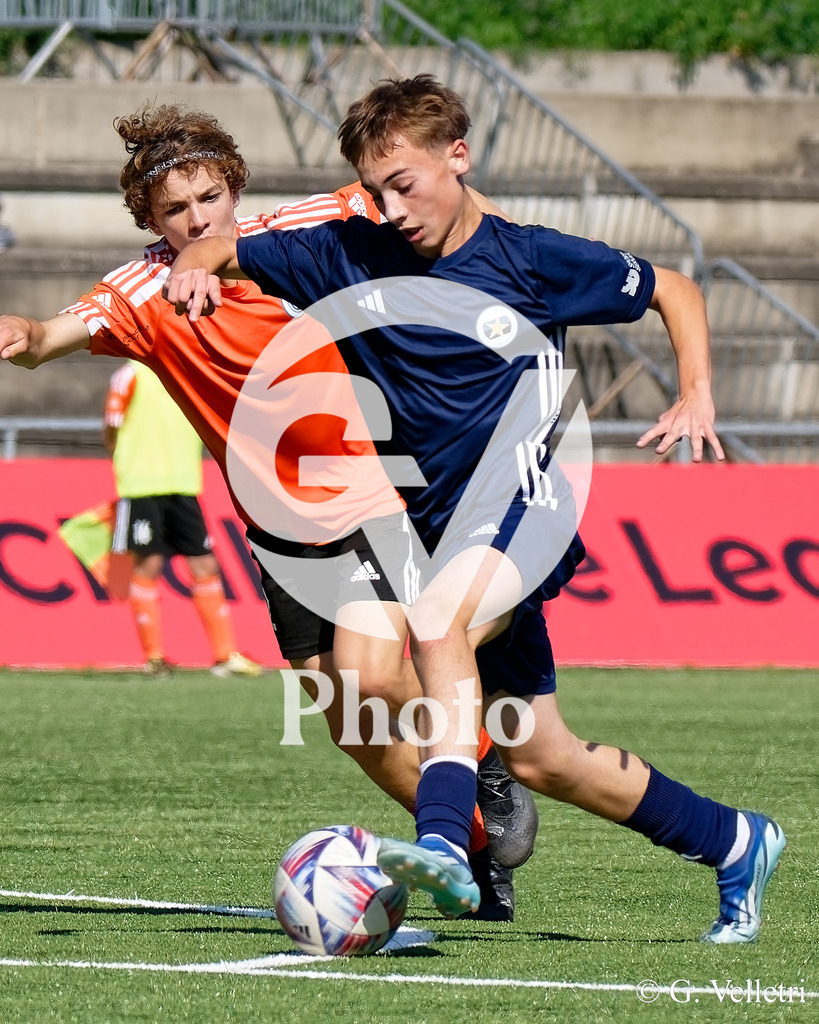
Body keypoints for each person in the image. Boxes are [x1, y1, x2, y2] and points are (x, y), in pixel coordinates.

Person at [163, 74, 786, 945]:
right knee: (542, 755)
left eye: (404, 184)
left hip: (528, 500)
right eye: (374, 191)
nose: (391, 209)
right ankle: (734, 840)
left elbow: (672, 289)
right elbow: (221, 248)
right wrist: (192, 268)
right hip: (439, 528)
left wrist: (695, 391)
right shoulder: (347, 251)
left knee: (434, 621)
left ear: (456, 158)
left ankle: (442, 842)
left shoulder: (530, 259)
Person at [0, 102, 537, 920]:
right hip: (277, 532)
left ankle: (486, 766)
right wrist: (22, 331)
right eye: (174, 209)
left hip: (369, 493)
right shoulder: (140, 292)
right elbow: (46, 338)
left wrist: (522, 260)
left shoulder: (300, 234)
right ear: (148, 219)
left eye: (208, 197)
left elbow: (450, 208)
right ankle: (470, 851)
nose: (196, 219)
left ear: (234, 188)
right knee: (350, 724)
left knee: (371, 675)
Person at [103, 358, 262, 677]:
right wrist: (125, 460)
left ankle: (224, 657)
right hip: (142, 485)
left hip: (185, 484)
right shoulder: (130, 373)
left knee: (205, 565)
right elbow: (112, 424)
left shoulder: (188, 369)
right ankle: (154, 658)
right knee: (147, 566)